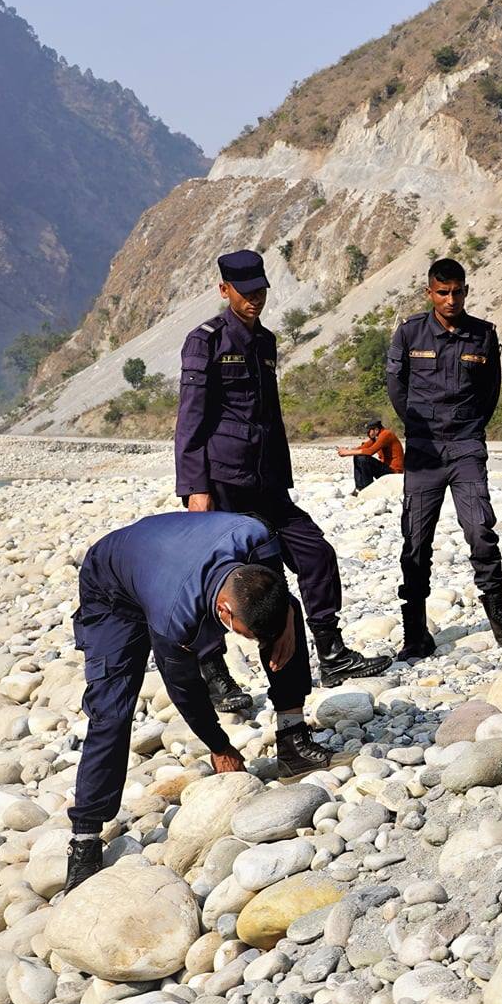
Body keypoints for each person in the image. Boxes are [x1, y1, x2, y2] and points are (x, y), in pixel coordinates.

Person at [65, 511, 326, 893]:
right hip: (112, 586)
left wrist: (287, 616)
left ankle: (292, 737)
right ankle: (85, 836)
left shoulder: (257, 536)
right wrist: (219, 746)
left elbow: (275, 585)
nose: (250, 643)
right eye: (245, 635)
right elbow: (183, 688)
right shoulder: (175, 617)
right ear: (224, 612)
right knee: (111, 711)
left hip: (167, 559)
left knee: (283, 621)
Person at [175, 249, 389, 702]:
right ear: (224, 290)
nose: (254, 299)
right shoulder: (205, 341)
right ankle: (214, 674)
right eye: (245, 292)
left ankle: (331, 652)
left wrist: (282, 477)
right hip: (222, 484)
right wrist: (195, 489)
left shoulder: (266, 342)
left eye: (260, 291)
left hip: (267, 483)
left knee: (316, 554)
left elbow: (269, 417)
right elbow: (190, 420)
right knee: (222, 577)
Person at [385, 258, 502, 659]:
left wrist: (468, 426)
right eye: (442, 292)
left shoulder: (483, 334)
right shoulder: (410, 332)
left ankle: (500, 618)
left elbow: (491, 391)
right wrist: (420, 426)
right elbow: (396, 386)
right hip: (424, 450)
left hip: (466, 445)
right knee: (416, 540)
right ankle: (415, 631)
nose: (450, 300)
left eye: (457, 292)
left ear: (466, 291)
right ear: (429, 293)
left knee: (480, 529)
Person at [338, 419, 403, 492]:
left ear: (376, 430)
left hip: (393, 471)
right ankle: (359, 488)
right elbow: (363, 447)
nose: (368, 434)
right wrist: (346, 450)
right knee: (357, 456)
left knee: (364, 459)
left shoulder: (386, 434)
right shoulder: (377, 437)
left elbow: (370, 451)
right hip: (385, 469)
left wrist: (348, 453)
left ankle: (367, 488)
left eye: (369, 431)